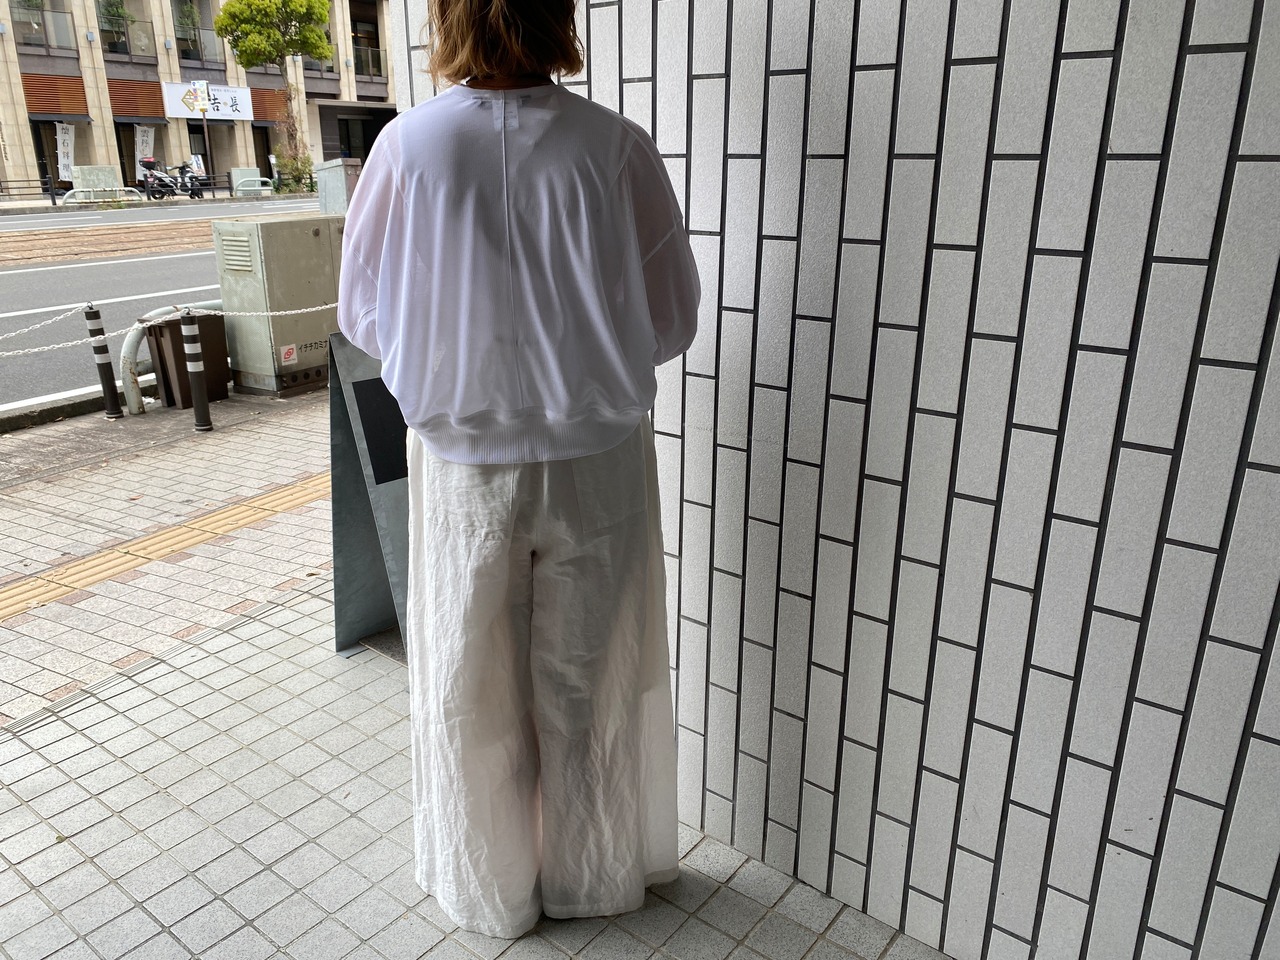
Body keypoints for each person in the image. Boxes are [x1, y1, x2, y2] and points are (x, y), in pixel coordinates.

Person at [336, 0, 700, 940]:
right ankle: (594, 877)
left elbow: (363, 314)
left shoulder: (406, 148)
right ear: (557, 16)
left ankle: (490, 890)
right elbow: (670, 317)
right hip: (597, 457)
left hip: (462, 465)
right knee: (595, 680)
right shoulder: (615, 147)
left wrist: (456, 357)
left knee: (468, 684)